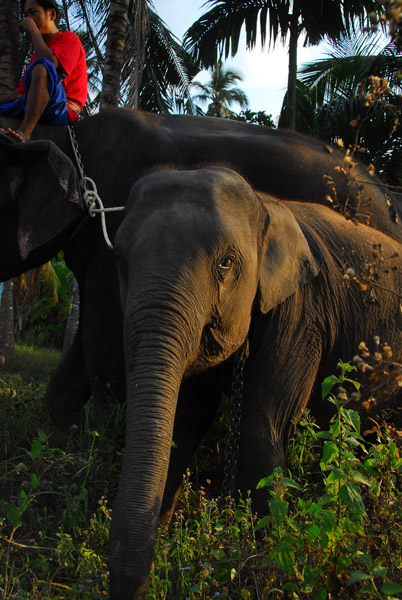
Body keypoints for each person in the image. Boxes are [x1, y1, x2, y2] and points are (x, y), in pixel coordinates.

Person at [0, 0, 87, 143]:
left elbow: (51, 65)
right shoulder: (38, 54)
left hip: (62, 107)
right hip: (31, 103)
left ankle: (25, 132)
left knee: (42, 66)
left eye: (33, 13)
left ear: (51, 14)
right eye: (26, 15)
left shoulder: (69, 39)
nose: (29, 19)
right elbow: (20, 93)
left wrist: (33, 30)